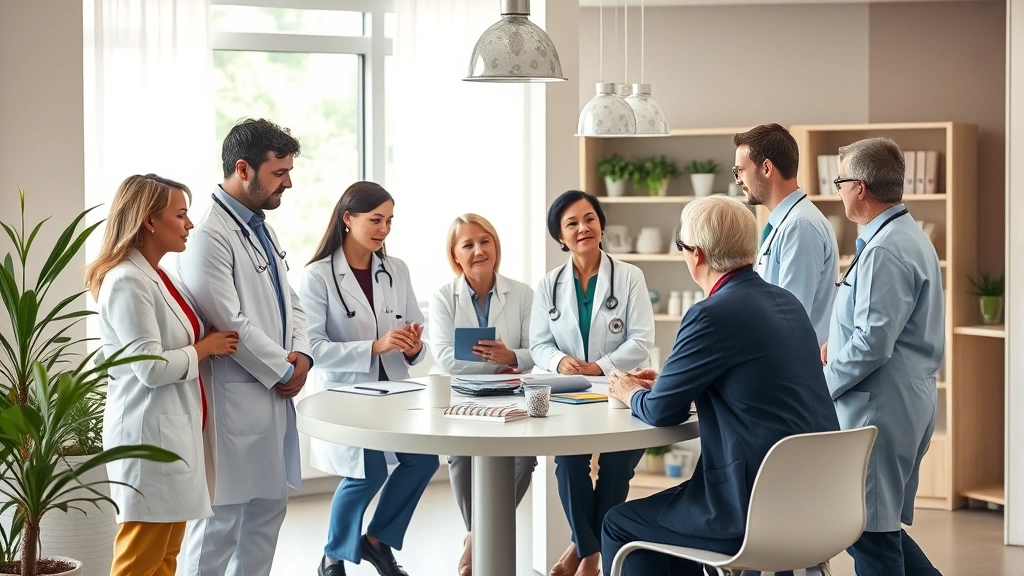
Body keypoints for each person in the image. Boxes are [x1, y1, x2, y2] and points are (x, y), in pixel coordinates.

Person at [601, 196, 840, 576]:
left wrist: (628, 390)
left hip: (748, 512)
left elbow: (663, 411)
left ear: (696, 254)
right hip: (819, 506)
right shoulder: (787, 302)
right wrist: (672, 381)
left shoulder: (711, 314)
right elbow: (755, 378)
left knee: (619, 522)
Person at [86, 174, 238, 575]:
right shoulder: (126, 281)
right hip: (146, 440)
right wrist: (204, 349)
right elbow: (149, 369)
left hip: (172, 436)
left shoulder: (160, 276)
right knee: (138, 561)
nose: (189, 224)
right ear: (150, 221)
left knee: (166, 557)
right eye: (181, 214)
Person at [177, 119, 310, 576]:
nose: (288, 182)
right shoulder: (207, 234)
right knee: (220, 525)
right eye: (279, 173)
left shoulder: (260, 227)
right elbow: (228, 321)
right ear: (243, 168)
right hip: (236, 398)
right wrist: (284, 368)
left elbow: (291, 301)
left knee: (267, 515)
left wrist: (304, 356)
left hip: (271, 395)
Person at [300, 181, 435, 576]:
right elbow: (313, 348)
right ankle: (333, 556)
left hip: (393, 392)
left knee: (423, 460)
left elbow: (416, 343)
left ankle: (376, 542)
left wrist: (411, 347)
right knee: (368, 472)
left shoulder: (396, 270)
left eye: (389, 221)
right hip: (347, 395)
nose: (384, 229)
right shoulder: (318, 276)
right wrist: (374, 347)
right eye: (375, 220)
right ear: (347, 218)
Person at [823, 138, 943, 575]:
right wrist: (835, 346)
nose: (837, 190)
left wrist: (821, 387)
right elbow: (881, 326)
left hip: (879, 406)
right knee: (875, 527)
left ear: (859, 188)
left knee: (871, 535)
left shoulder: (886, 249)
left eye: (839, 181)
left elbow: (873, 343)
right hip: (896, 400)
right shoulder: (902, 235)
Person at [530, 190, 656, 576]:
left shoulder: (629, 275)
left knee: (617, 468)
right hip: (572, 395)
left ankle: (583, 555)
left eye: (590, 218)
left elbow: (642, 339)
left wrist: (597, 367)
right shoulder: (548, 284)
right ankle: (590, 551)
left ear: (601, 225)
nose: (583, 227)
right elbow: (538, 343)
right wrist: (561, 360)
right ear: (560, 237)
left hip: (622, 390)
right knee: (568, 466)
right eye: (572, 223)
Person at [428, 213, 536, 576]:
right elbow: (444, 357)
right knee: (460, 456)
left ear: (495, 245)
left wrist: (513, 357)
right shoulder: (444, 298)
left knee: (524, 460)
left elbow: (536, 349)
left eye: (484, 241)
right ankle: (480, 532)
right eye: (468, 244)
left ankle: (475, 535)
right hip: (465, 398)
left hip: (511, 396)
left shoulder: (521, 294)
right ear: (455, 254)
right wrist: (500, 360)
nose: (478, 250)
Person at [734, 123, 839, 346]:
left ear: (766, 168)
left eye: (740, 171)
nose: (738, 181)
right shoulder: (784, 223)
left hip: (794, 367)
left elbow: (790, 315)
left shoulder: (800, 225)